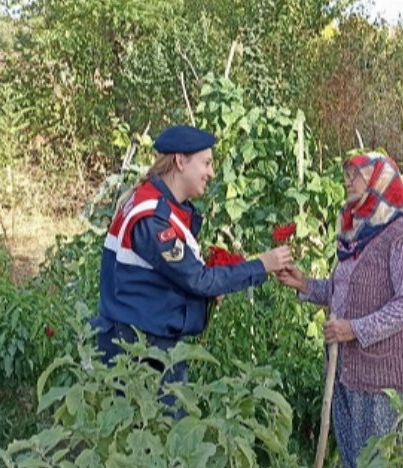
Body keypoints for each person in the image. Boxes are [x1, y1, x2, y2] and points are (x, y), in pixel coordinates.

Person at [90, 124, 292, 411]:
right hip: (141, 350)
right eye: (206, 163)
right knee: (159, 439)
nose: (211, 173)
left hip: (141, 339)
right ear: (180, 161)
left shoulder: (155, 202)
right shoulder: (154, 219)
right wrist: (262, 265)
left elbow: (165, 275)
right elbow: (196, 279)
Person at [276, 152, 403, 468]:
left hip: (387, 383)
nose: (347, 180)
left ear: (379, 183)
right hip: (349, 372)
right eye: (346, 173)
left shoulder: (401, 238)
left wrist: (355, 329)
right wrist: (306, 285)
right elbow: (344, 293)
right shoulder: (357, 236)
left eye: (356, 175)